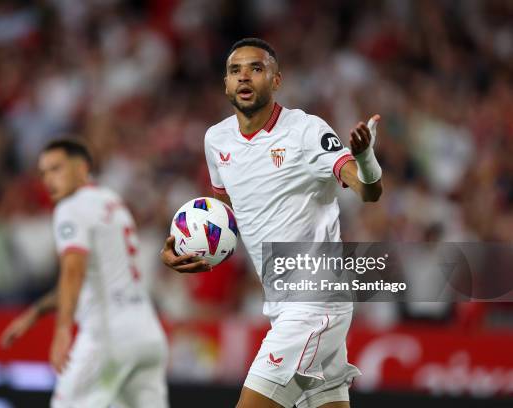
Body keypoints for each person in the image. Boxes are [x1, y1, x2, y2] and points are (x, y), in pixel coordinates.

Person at [161, 38, 383, 408]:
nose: (244, 77)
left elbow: (369, 192)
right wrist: (187, 248)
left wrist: (365, 161)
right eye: (235, 70)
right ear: (226, 84)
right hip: (281, 303)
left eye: (256, 68)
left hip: (315, 300)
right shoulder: (216, 140)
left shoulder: (306, 131)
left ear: (276, 80)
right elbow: (228, 215)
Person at [0, 139, 169, 408]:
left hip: (107, 336)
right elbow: (93, 280)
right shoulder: (112, 202)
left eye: (56, 169)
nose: (48, 180)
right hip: (147, 335)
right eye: (43, 173)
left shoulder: (70, 208)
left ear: (82, 168)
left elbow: (73, 270)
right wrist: (36, 312)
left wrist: (63, 328)